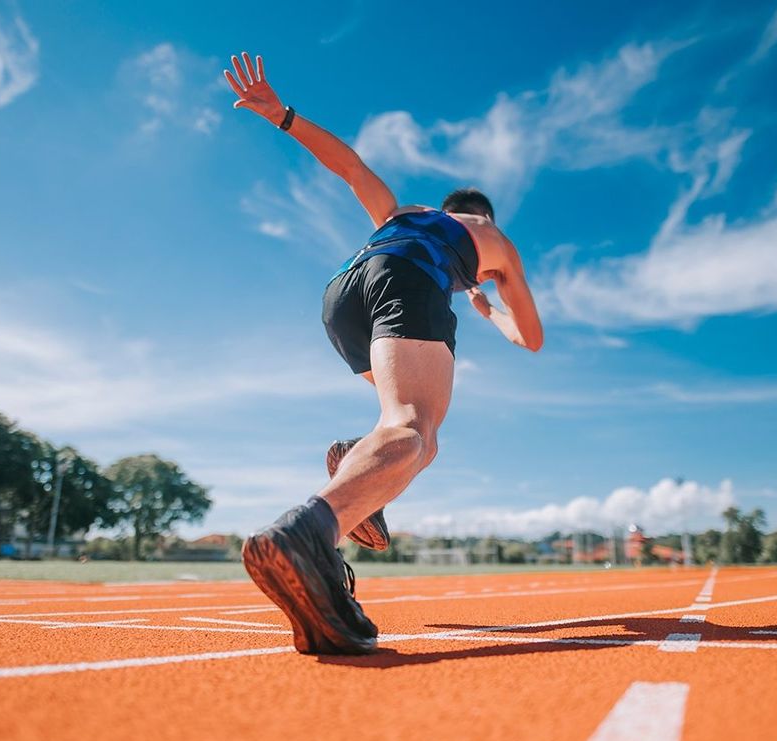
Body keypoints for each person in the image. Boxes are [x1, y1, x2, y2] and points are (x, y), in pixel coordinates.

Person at [225, 52, 543, 654]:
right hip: (408, 280)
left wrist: (282, 116)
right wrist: (490, 307)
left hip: (344, 294)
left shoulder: (404, 212)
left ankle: (353, 471)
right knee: (413, 430)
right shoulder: (494, 241)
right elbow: (531, 337)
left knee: (417, 437)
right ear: (481, 216)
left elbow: (350, 167)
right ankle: (309, 533)